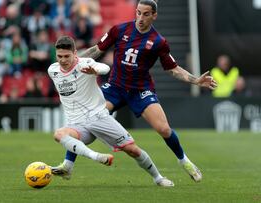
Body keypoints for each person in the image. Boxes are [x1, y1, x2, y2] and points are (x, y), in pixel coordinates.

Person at [52, 0, 218, 182]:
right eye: (138, 12)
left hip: (140, 90)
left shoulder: (159, 42)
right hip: (114, 88)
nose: (140, 18)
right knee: (85, 118)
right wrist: (72, 64)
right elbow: (96, 50)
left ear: (154, 15)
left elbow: (173, 68)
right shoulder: (119, 30)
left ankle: (184, 161)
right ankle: (68, 166)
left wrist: (195, 80)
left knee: (163, 129)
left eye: (146, 14)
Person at [48, 35, 174, 187]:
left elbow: (105, 68)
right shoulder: (52, 70)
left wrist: (95, 70)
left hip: (99, 117)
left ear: (75, 53)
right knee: (59, 134)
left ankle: (158, 178)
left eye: (66, 56)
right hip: (77, 125)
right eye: (59, 56)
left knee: (132, 150)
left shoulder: (85, 63)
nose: (62, 60)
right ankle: (90, 158)